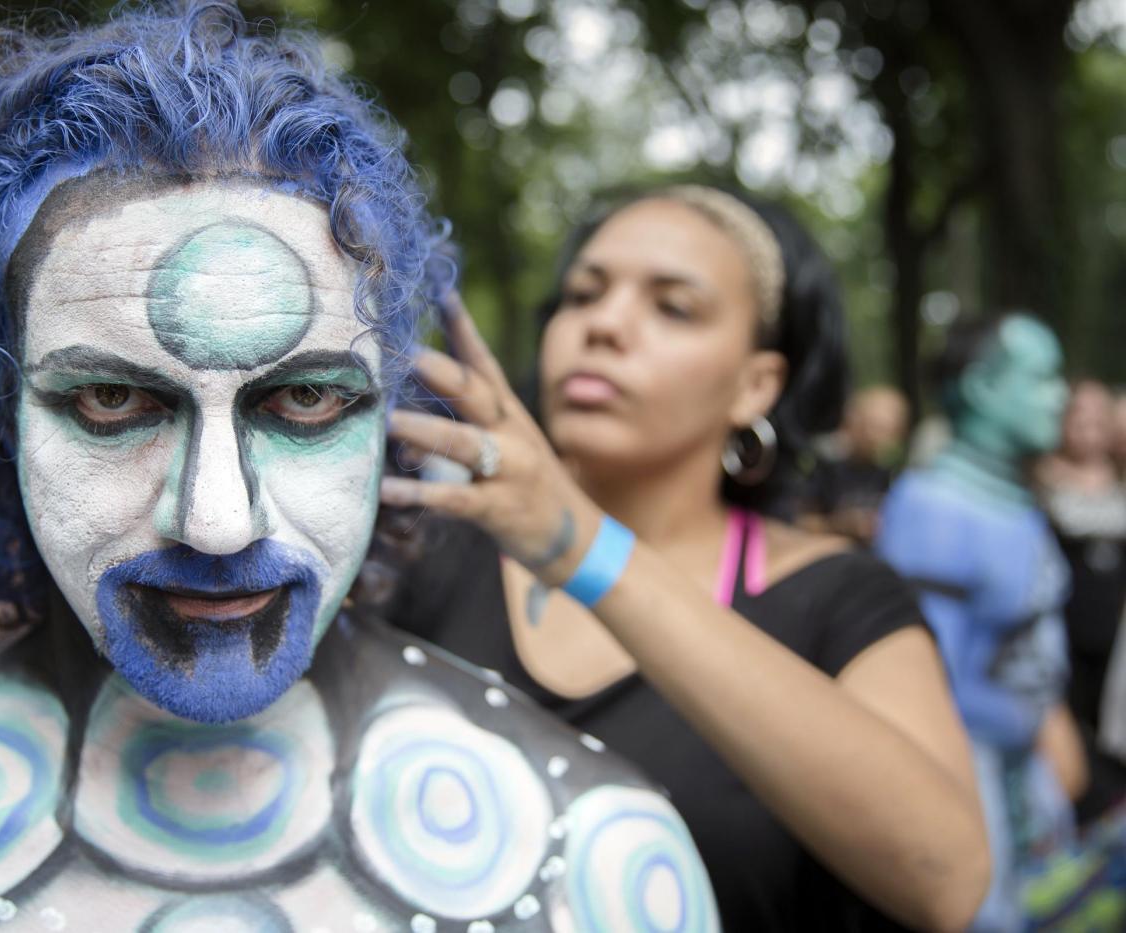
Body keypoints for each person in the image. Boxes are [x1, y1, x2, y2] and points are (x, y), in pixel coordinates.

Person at [0, 5, 719, 931]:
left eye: (303, 401)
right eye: (112, 401)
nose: (215, 523)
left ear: (392, 424)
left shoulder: (587, 873)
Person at [383, 186, 989, 930]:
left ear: (755, 383)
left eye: (673, 306)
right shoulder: (427, 550)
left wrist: (583, 548)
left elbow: (947, 880)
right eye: (583, 293)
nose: (603, 324)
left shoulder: (839, 596)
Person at [878, 313, 1083, 929]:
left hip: (1025, 776)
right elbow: (920, 690)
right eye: (1041, 378)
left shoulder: (1011, 502)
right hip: (966, 778)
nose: (1061, 395)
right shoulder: (934, 509)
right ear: (982, 388)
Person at [1036, 379, 1126, 820]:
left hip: (1117, 646)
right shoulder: (1039, 480)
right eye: (1079, 417)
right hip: (1062, 641)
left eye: (1099, 418)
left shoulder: (1122, 478)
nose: (1089, 429)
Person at [801, 384, 910, 545]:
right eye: (876, 427)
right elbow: (798, 522)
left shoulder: (897, 475)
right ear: (855, 421)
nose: (880, 438)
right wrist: (838, 525)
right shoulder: (826, 469)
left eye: (890, 429)